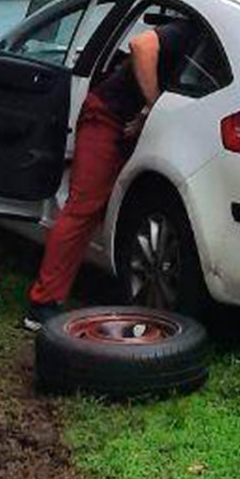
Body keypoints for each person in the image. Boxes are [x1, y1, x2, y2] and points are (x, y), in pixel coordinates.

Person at [24, 17, 200, 331]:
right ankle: (42, 303)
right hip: (109, 115)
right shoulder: (190, 28)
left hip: (143, 125)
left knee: (107, 207)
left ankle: (89, 284)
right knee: (84, 207)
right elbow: (141, 45)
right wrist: (153, 105)